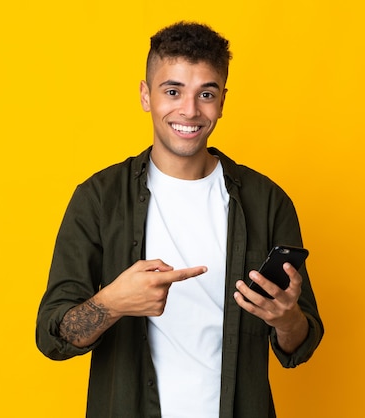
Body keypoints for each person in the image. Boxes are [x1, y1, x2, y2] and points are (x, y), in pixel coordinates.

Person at [36, 21, 323, 418]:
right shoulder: (99, 199)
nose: (189, 110)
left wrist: (287, 319)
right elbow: (54, 336)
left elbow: (301, 343)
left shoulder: (267, 201)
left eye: (206, 93)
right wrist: (112, 302)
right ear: (145, 95)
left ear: (222, 100)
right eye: (173, 91)